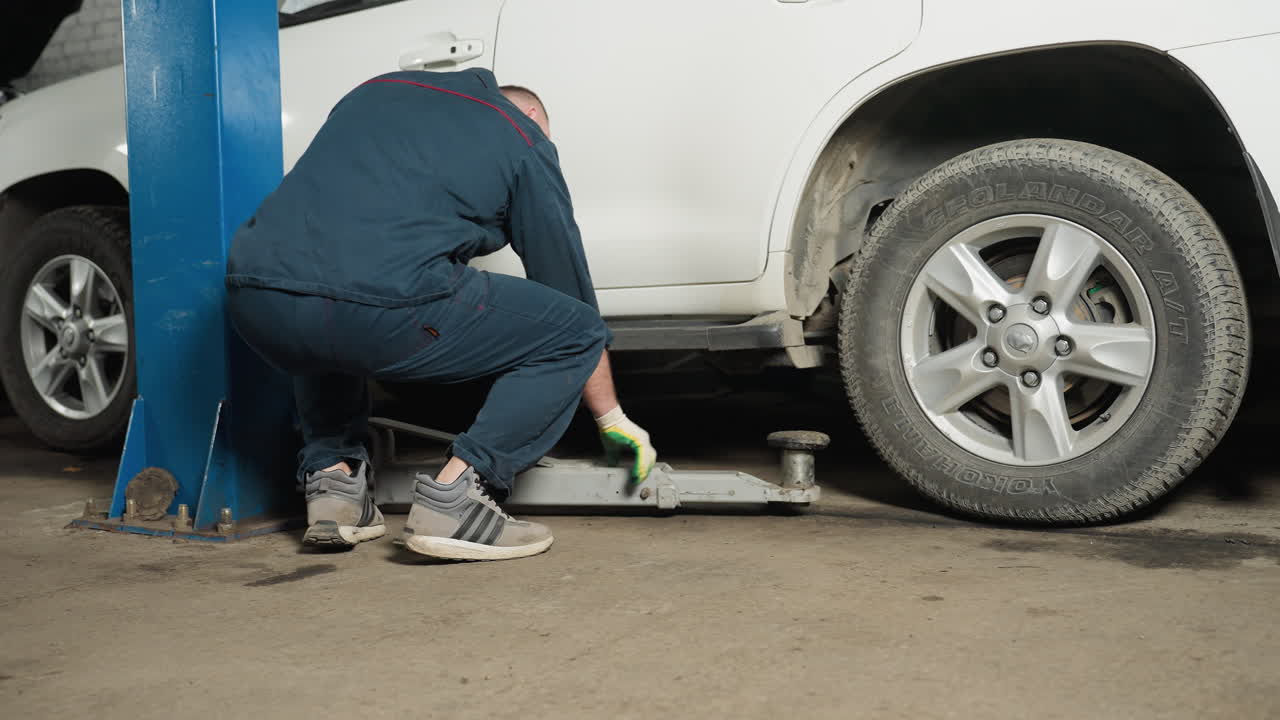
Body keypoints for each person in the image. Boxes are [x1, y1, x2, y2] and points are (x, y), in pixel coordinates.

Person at [225, 68, 656, 561]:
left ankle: (334, 488)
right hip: (381, 308)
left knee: (332, 306)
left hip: (256, 299)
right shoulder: (520, 134)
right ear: (532, 114)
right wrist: (612, 418)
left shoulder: (375, 92)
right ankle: (455, 501)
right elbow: (571, 300)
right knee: (575, 333)